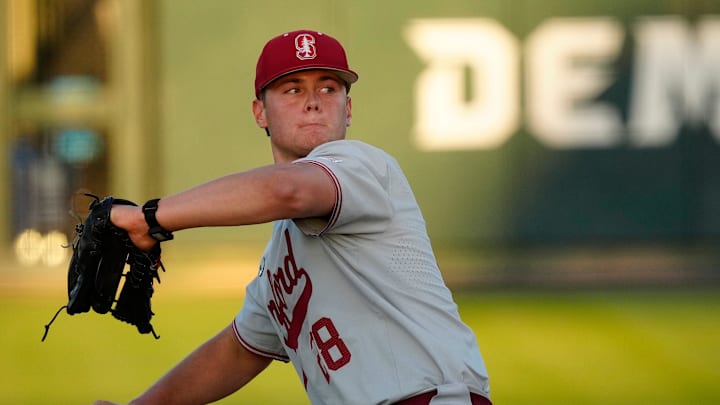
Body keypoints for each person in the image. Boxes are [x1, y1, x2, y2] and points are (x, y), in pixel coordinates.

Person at [96, 29, 491, 405]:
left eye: (328, 87)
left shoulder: (362, 166)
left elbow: (287, 190)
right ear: (259, 112)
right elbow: (235, 352)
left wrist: (149, 218)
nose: (313, 100)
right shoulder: (279, 262)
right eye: (292, 89)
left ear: (348, 108)